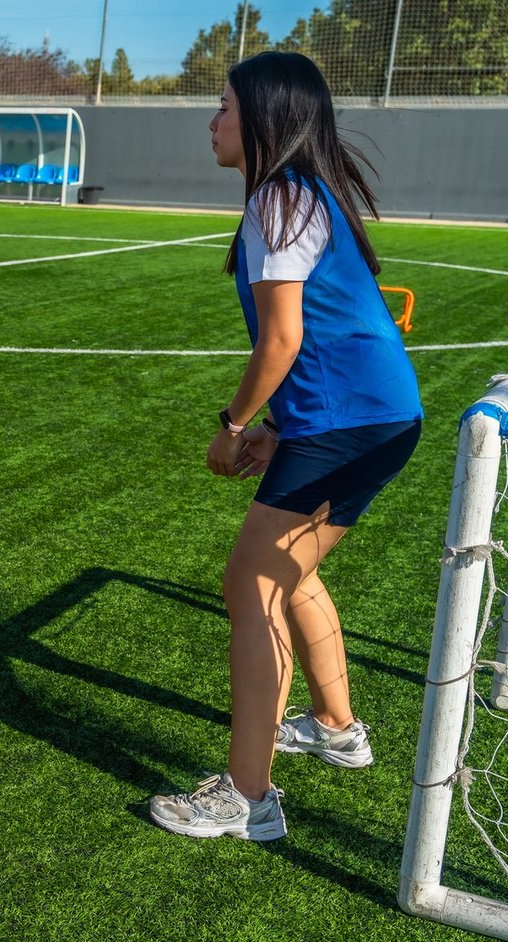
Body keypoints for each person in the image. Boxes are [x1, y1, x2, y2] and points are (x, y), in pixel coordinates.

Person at [148, 52, 423, 842]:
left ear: (265, 118)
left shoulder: (278, 200)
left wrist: (235, 426)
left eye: (224, 107)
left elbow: (283, 339)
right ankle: (336, 727)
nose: (213, 121)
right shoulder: (302, 194)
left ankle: (247, 796)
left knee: (251, 583)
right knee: (288, 569)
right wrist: (282, 429)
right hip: (374, 417)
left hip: (351, 421)